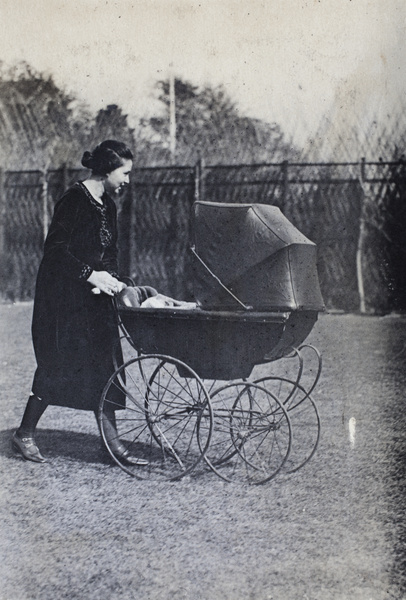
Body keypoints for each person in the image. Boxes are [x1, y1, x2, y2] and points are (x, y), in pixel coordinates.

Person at [12, 140, 147, 466]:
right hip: (63, 298)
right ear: (106, 170)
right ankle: (25, 433)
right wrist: (91, 275)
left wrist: (111, 279)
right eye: (125, 173)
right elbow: (56, 252)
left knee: (108, 362)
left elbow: (110, 252)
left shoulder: (109, 205)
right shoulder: (74, 200)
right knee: (58, 364)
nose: (128, 180)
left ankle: (111, 445)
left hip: (96, 298)